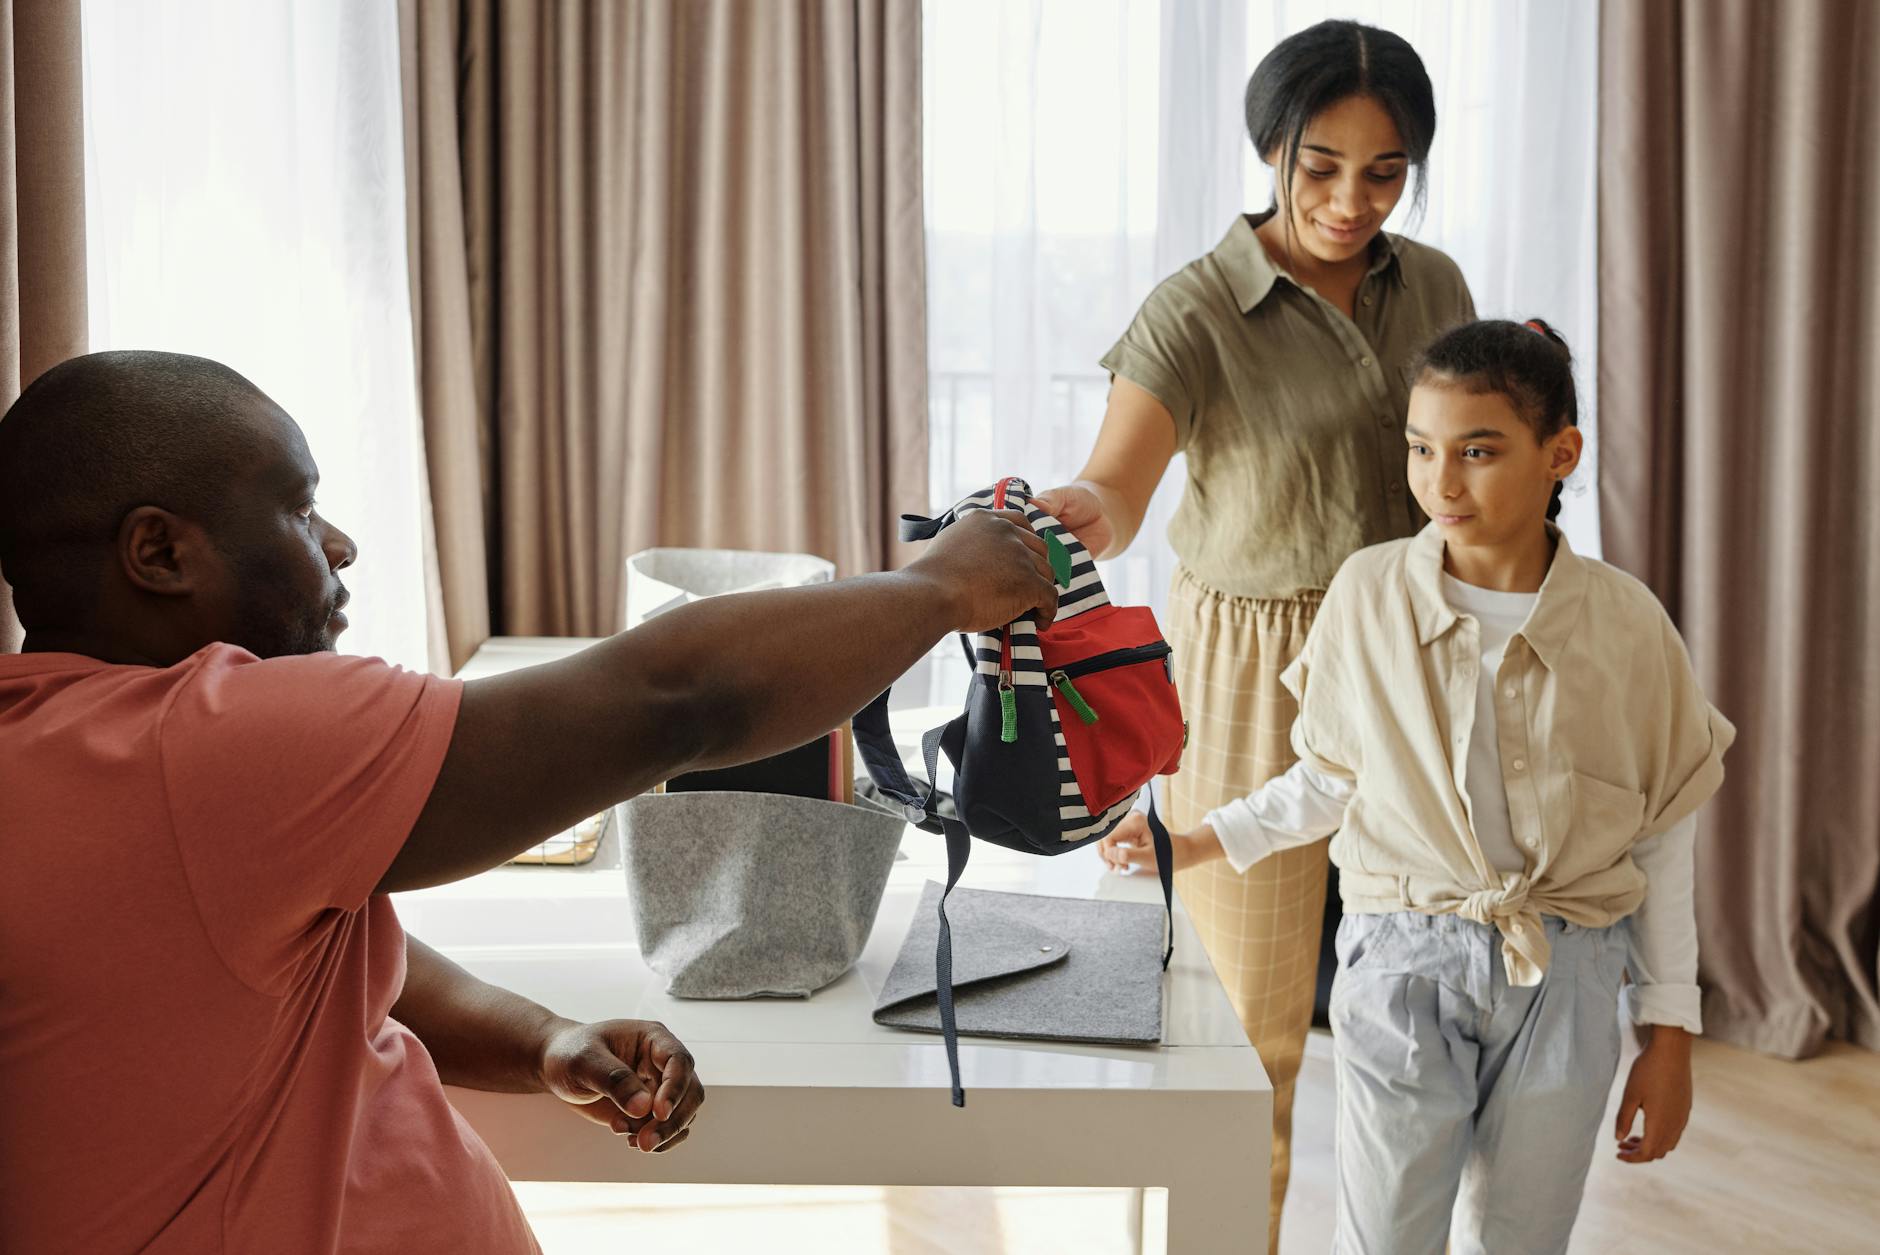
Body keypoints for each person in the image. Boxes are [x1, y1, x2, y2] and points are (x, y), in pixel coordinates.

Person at [0, 350, 1060, 1255]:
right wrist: (941, 587)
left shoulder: (68, 753)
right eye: (300, 507)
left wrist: (537, 1037)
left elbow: (297, 963)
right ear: (159, 553)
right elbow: (674, 699)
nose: (339, 547)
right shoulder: (207, 744)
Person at [1101, 319, 1733, 1253]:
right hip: (1403, 961)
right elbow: (1330, 780)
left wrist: (1668, 1031)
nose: (1442, 481)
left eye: (1479, 452)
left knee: (1522, 1238)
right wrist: (1197, 841)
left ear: (1561, 454)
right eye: (1422, 447)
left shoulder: (1630, 625)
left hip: (1572, 973)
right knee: (1387, 1234)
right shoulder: (1367, 593)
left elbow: (1661, 838)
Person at [1035, 19, 1474, 1247]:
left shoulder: (1433, 286)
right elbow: (1117, 493)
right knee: (1249, 1033)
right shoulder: (1194, 308)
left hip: (1410, 653)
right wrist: (1085, 510)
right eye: (1318, 164)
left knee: (1419, 1011)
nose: (1349, 199)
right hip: (1246, 675)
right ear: (1269, 148)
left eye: (1382, 171)